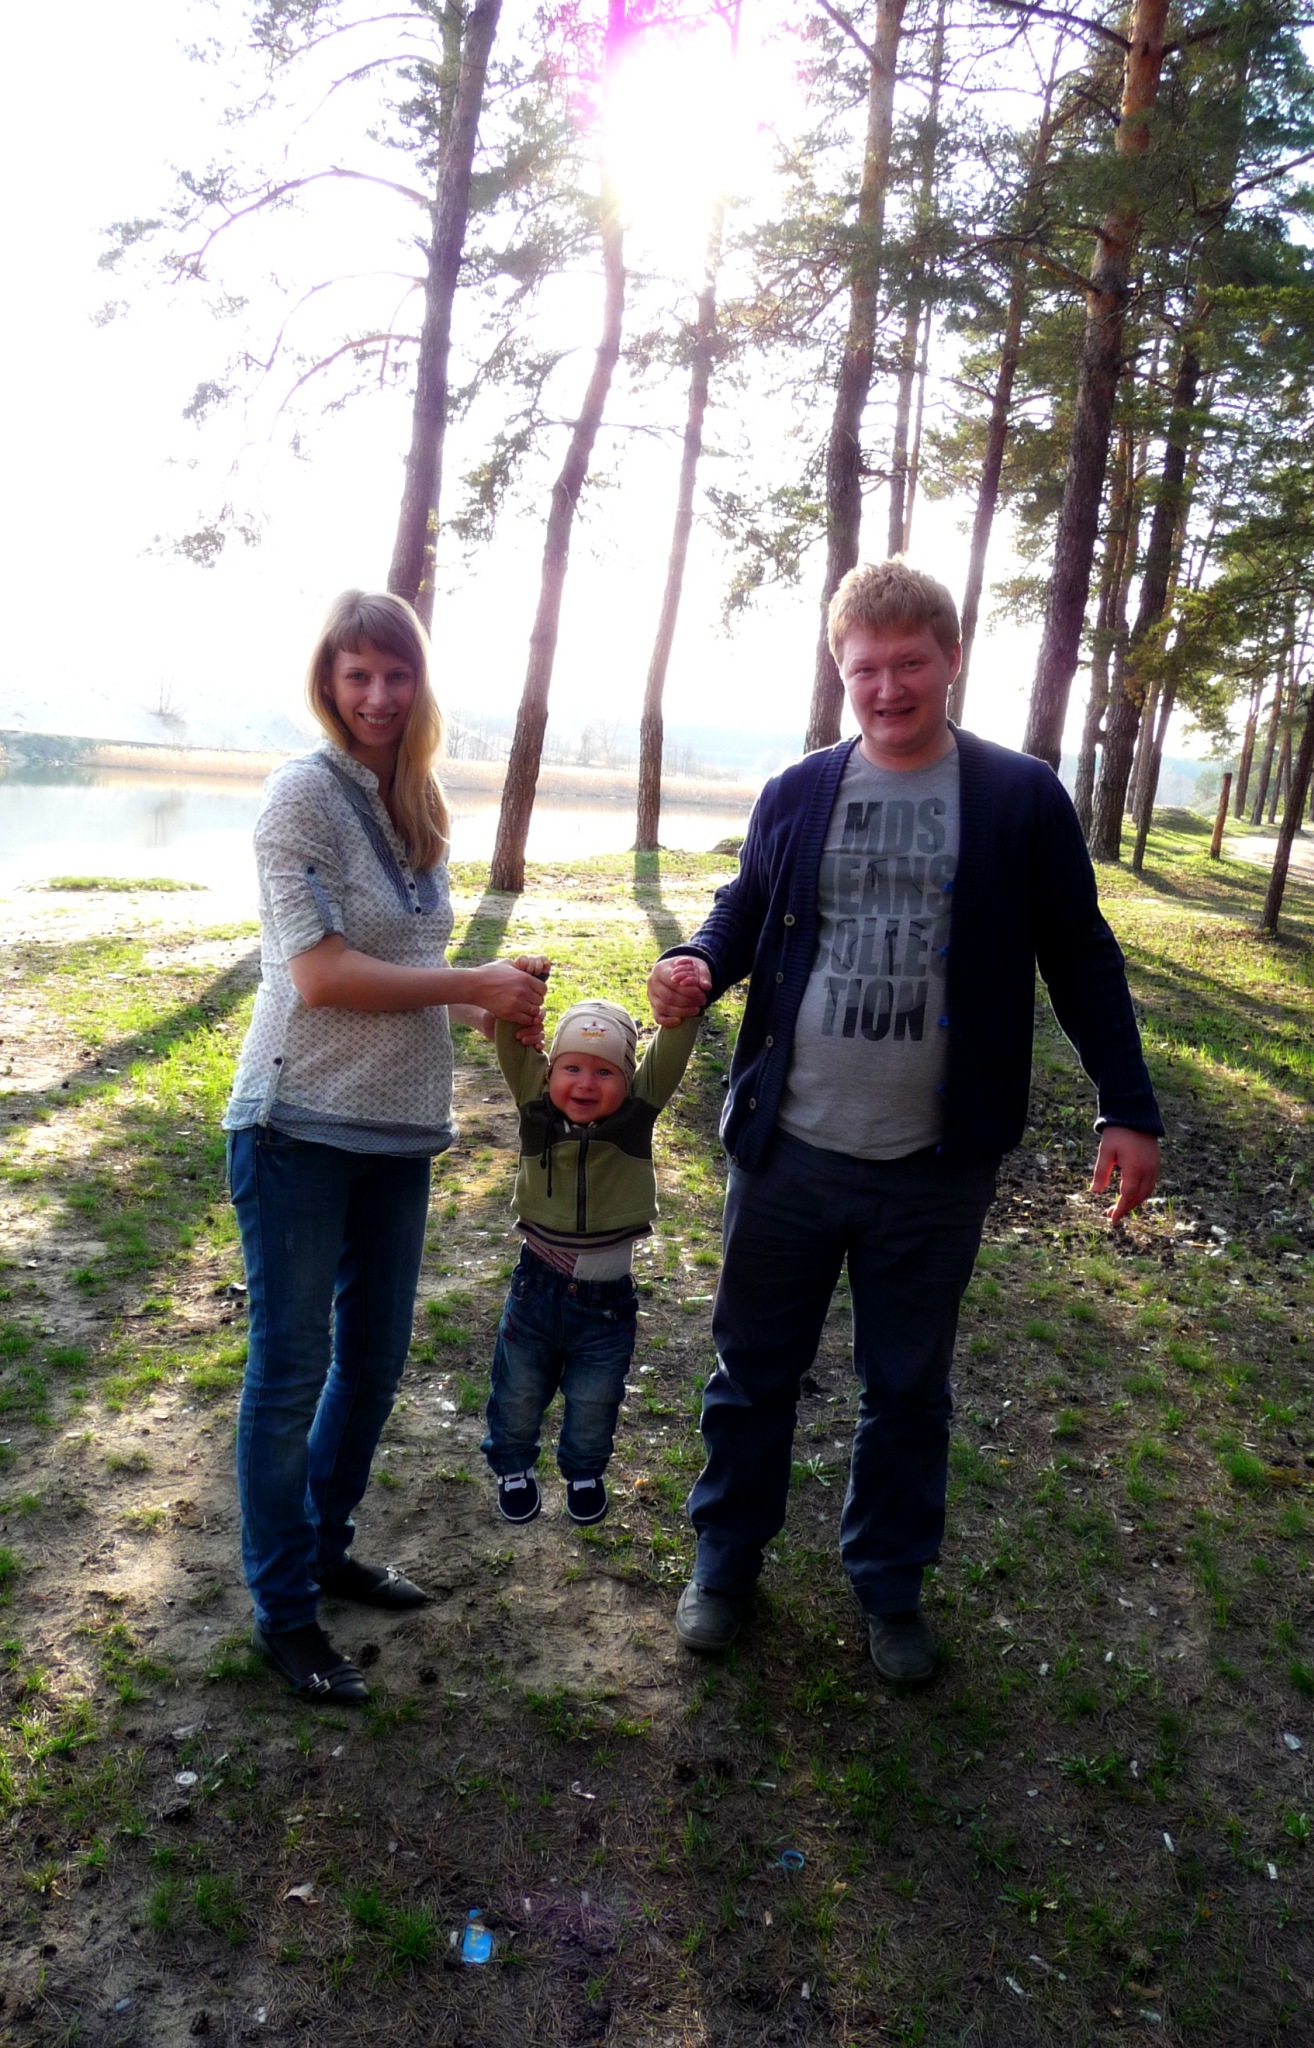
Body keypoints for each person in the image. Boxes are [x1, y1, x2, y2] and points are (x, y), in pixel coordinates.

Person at [647, 559, 1162, 1683]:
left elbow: (1080, 954)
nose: (888, 687)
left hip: (935, 1164)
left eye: (909, 663)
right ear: (842, 672)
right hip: (786, 1147)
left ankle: (889, 1583)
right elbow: (746, 906)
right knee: (750, 1372)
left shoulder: (1020, 797)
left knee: (908, 1389)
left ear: (952, 659)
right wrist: (700, 960)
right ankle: (725, 1560)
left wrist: (1127, 1102)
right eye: (864, 668)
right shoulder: (799, 791)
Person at [224, 590, 546, 1704]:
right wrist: (467, 983)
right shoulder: (299, 796)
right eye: (356, 674)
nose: (377, 694)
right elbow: (320, 975)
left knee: (373, 1363)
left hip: (398, 1131)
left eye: (395, 673)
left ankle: (326, 1549)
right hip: (296, 1125)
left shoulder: (419, 801)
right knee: (289, 1373)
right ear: (328, 680)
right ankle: (283, 1612)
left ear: (419, 683)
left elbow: (407, 965)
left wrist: (491, 1002)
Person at [482, 970, 699, 1526]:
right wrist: (522, 990)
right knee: (517, 1392)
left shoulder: (635, 1115)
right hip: (536, 1291)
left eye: (605, 1072)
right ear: (549, 1071)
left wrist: (683, 1004)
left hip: (606, 1305)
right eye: (571, 1068)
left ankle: (584, 1470)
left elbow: (671, 1052)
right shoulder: (534, 1106)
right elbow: (511, 1043)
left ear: (628, 1080)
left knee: (596, 1400)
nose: (585, 1083)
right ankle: (512, 1465)